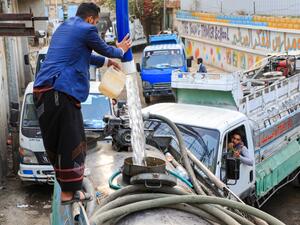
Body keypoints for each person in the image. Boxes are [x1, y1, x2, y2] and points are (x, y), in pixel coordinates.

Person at [33, 3, 132, 204]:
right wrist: (120, 51)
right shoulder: (87, 29)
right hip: (61, 90)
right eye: (95, 22)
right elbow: (105, 49)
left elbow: (84, 55)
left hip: (42, 92)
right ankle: (70, 194)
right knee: (72, 141)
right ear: (90, 19)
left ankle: (65, 190)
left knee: (56, 142)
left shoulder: (64, 28)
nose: (94, 25)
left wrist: (106, 63)